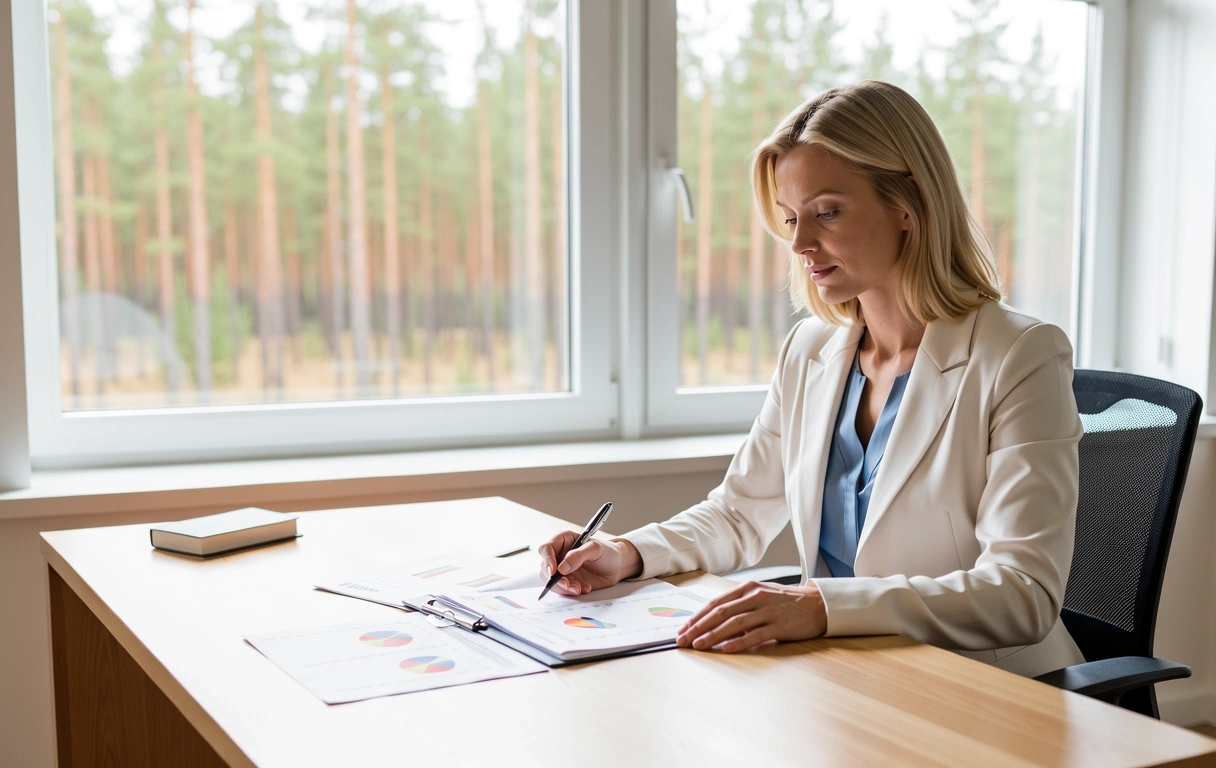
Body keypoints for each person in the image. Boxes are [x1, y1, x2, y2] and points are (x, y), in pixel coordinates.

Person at [537, 80, 1085, 678]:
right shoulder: (812, 350)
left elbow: (1022, 592)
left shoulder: (1020, 355)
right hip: (848, 677)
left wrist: (820, 606)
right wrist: (626, 553)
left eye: (827, 212)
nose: (799, 243)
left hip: (984, 687)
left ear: (909, 205)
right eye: (792, 217)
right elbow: (739, 514)